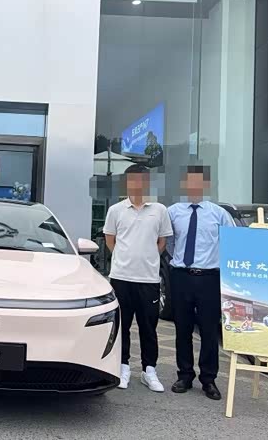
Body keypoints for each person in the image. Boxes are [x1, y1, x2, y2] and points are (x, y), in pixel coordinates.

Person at [103, 164, 172, 392]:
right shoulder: (116, 210)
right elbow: (110, 240)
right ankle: (123, 367)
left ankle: (149, 370)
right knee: (122, 325)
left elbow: (162, 242)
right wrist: (125, 258)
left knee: (148, 327)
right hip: (121, 277)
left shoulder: (159, 210)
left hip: (148, 279)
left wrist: (147, 258)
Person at [167, 165, 233, 401]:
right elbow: (169, 243)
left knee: (208, 330)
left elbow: (231, 243)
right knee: (182, 328)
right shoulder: (173, 212)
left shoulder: (219, 214)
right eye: (190, 182)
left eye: (199, 182)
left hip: (209, 278)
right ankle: (184, 375)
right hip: (181, 276)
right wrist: (180, 262)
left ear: (206, 185)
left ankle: (209, 379)